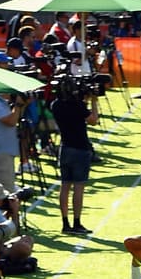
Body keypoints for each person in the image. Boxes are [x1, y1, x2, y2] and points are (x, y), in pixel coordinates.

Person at [50, 78, 93, 236]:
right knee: (78, 188)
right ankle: (76, 222)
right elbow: (93, 120)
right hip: (80, 149)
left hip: (65, 148)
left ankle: (65, 223)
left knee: (65, 186)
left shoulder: (55, 105)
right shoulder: (78, 105)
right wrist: (93, 101)